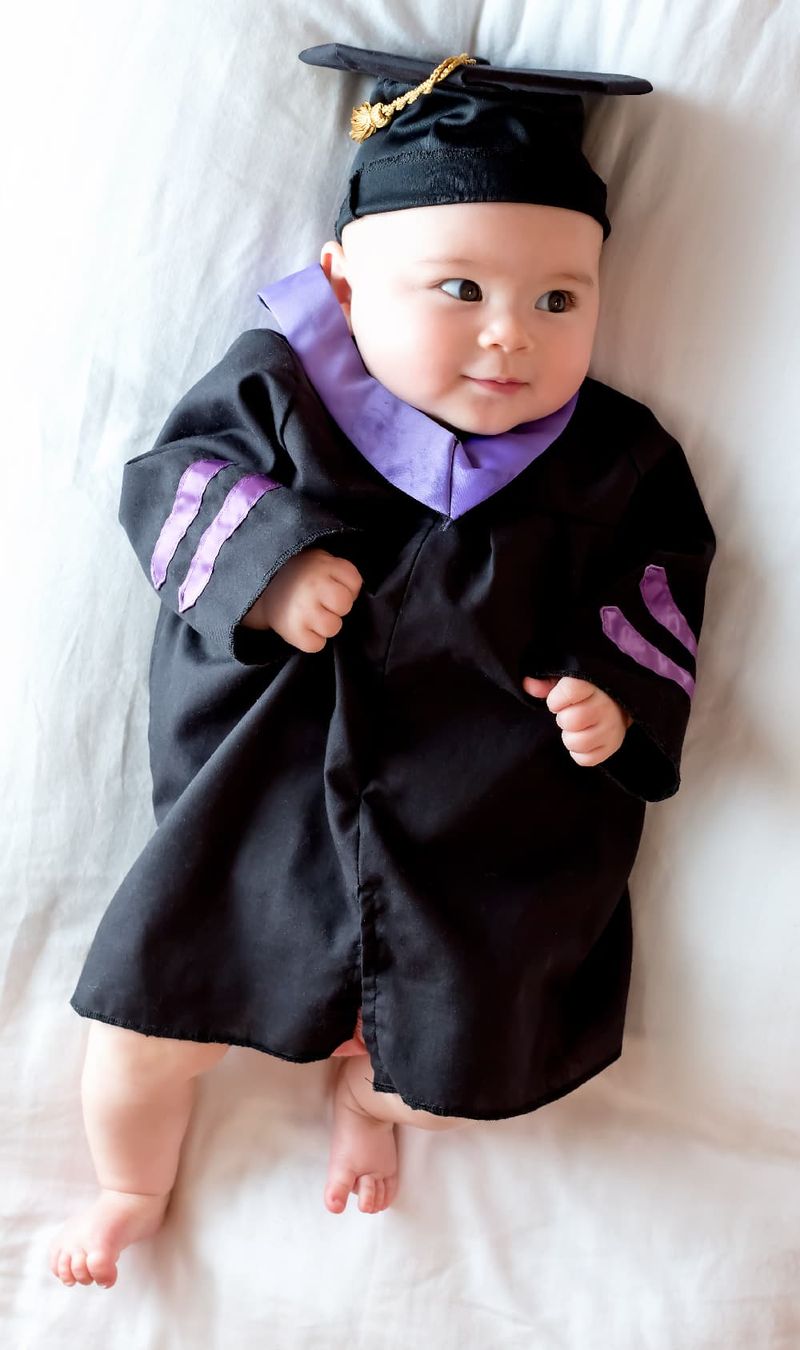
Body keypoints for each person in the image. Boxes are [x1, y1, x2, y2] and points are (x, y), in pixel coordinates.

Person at [51, 45, 716, 1288]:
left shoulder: (615, 463)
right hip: (260, 813)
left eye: (560, 300)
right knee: (145, 1025)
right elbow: (170, 486)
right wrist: (271, 566)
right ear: (344, 284)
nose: (509, 337)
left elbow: (663, 583)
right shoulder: (278, 396)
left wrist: (612, 699)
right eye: (458, 288)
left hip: (484, 825)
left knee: (472, 1073)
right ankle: (128, 1186)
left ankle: (376, 1094)